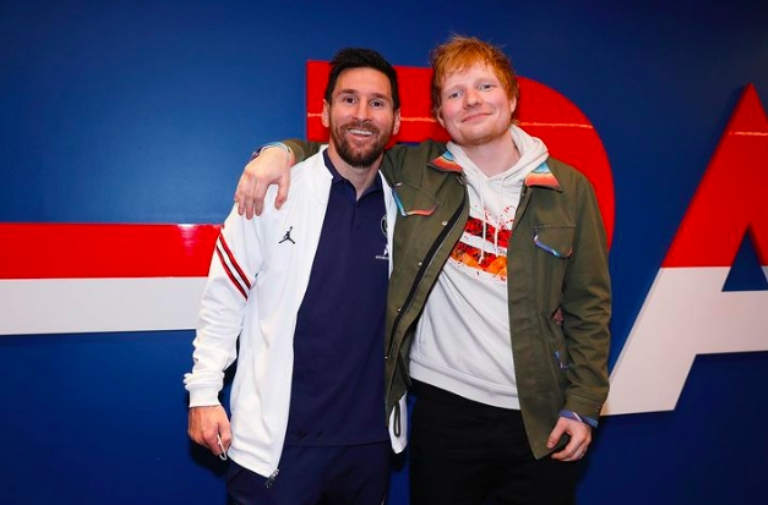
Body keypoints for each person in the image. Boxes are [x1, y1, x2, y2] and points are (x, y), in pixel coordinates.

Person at [238, 36, 611, 505]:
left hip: (539, 417)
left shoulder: (569, 188)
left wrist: (584, 404)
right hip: (443, 414)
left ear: (513, 98)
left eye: (485, 86)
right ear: (440, 114)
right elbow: (339, 148)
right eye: (455, 93)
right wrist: (278, 151)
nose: (471, 100)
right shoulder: (413, 167)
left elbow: (589, 307)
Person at [184, 48, 406, 505]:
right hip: (277, 447)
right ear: (324, 111)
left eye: (377, 103)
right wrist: (203, 393)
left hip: (369, 446)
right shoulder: (273, 191)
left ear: (397, 121)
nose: (362, 115)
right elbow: (224, 296)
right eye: (348, 100)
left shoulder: (410, 207)